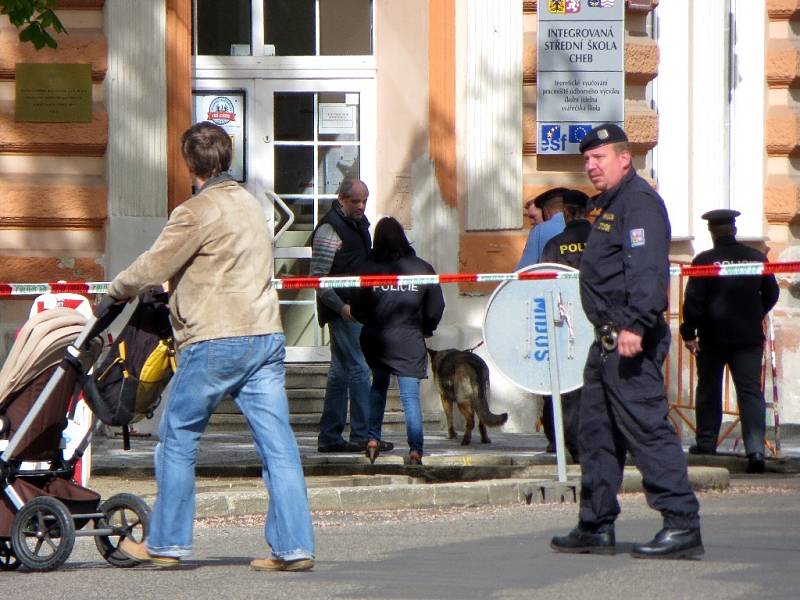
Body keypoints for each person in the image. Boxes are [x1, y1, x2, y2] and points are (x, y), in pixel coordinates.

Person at [111, 122, 315, 570]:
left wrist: (116, 289)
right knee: (278, 444)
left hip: (215, 338)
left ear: (189, 164)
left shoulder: (195, 211)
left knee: (179, 438)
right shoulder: (250, 206)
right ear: (228, 158)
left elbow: (153, 264)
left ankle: (166, 544)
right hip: (264, 335)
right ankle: (294, 547)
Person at [550, 123, 703, 559]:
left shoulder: (639, 204)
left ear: (624, 158)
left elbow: (647, 270)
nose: (591, 166)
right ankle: (596, 523)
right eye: (586, 160)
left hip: (629, 339)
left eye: (599, 159)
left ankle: (681, 523)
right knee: (595, 433)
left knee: (647, 430)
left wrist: (636, 324)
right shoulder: (612, 206)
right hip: (607, 344)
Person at [679, 209, 780, 474]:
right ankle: (755, 449)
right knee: (749, 392)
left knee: (709, 389)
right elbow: (772, 292)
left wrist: (689, 332)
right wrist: (755, 313)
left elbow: (693, 302)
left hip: (713, 337)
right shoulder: (756, 257)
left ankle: (706, 443)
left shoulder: (704, 260)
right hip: (748, 337)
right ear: (734, 230)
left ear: (711, 232)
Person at [355, 217, 445, 465]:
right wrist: (426, 328)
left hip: (376, 338)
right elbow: (436, 306)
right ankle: (415, 450)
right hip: (408, 339)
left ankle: (372, 439)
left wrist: (368, 320)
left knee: (378, 388)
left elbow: (358, 304)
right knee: (409, 398)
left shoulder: (368, 268)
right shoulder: (422, 268)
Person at [312, 179, 387, 453]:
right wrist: (341, 308)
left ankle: (330, 436)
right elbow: (318, 278)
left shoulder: (359, 225)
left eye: (364, 200)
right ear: (341, 199)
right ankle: (362, 435)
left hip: (356, 308)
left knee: (340, 372)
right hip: (343, 310)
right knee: (358, 369)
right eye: (355, 201)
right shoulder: (329, 229)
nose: (361, 206)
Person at [538, 189, 591, 462]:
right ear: (589, 211)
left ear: (566, 213)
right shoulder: (603, 240)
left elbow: (541, 283)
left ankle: (565, 443)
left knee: (565, 387)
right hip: (599, 321)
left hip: (565, 324)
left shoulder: (555, 244)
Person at [516, 187, 568, 269]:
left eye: (533, 217)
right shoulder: (584, 228)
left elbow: (524, 270)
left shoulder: (538, 231)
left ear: (545, 210)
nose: (531, 222)